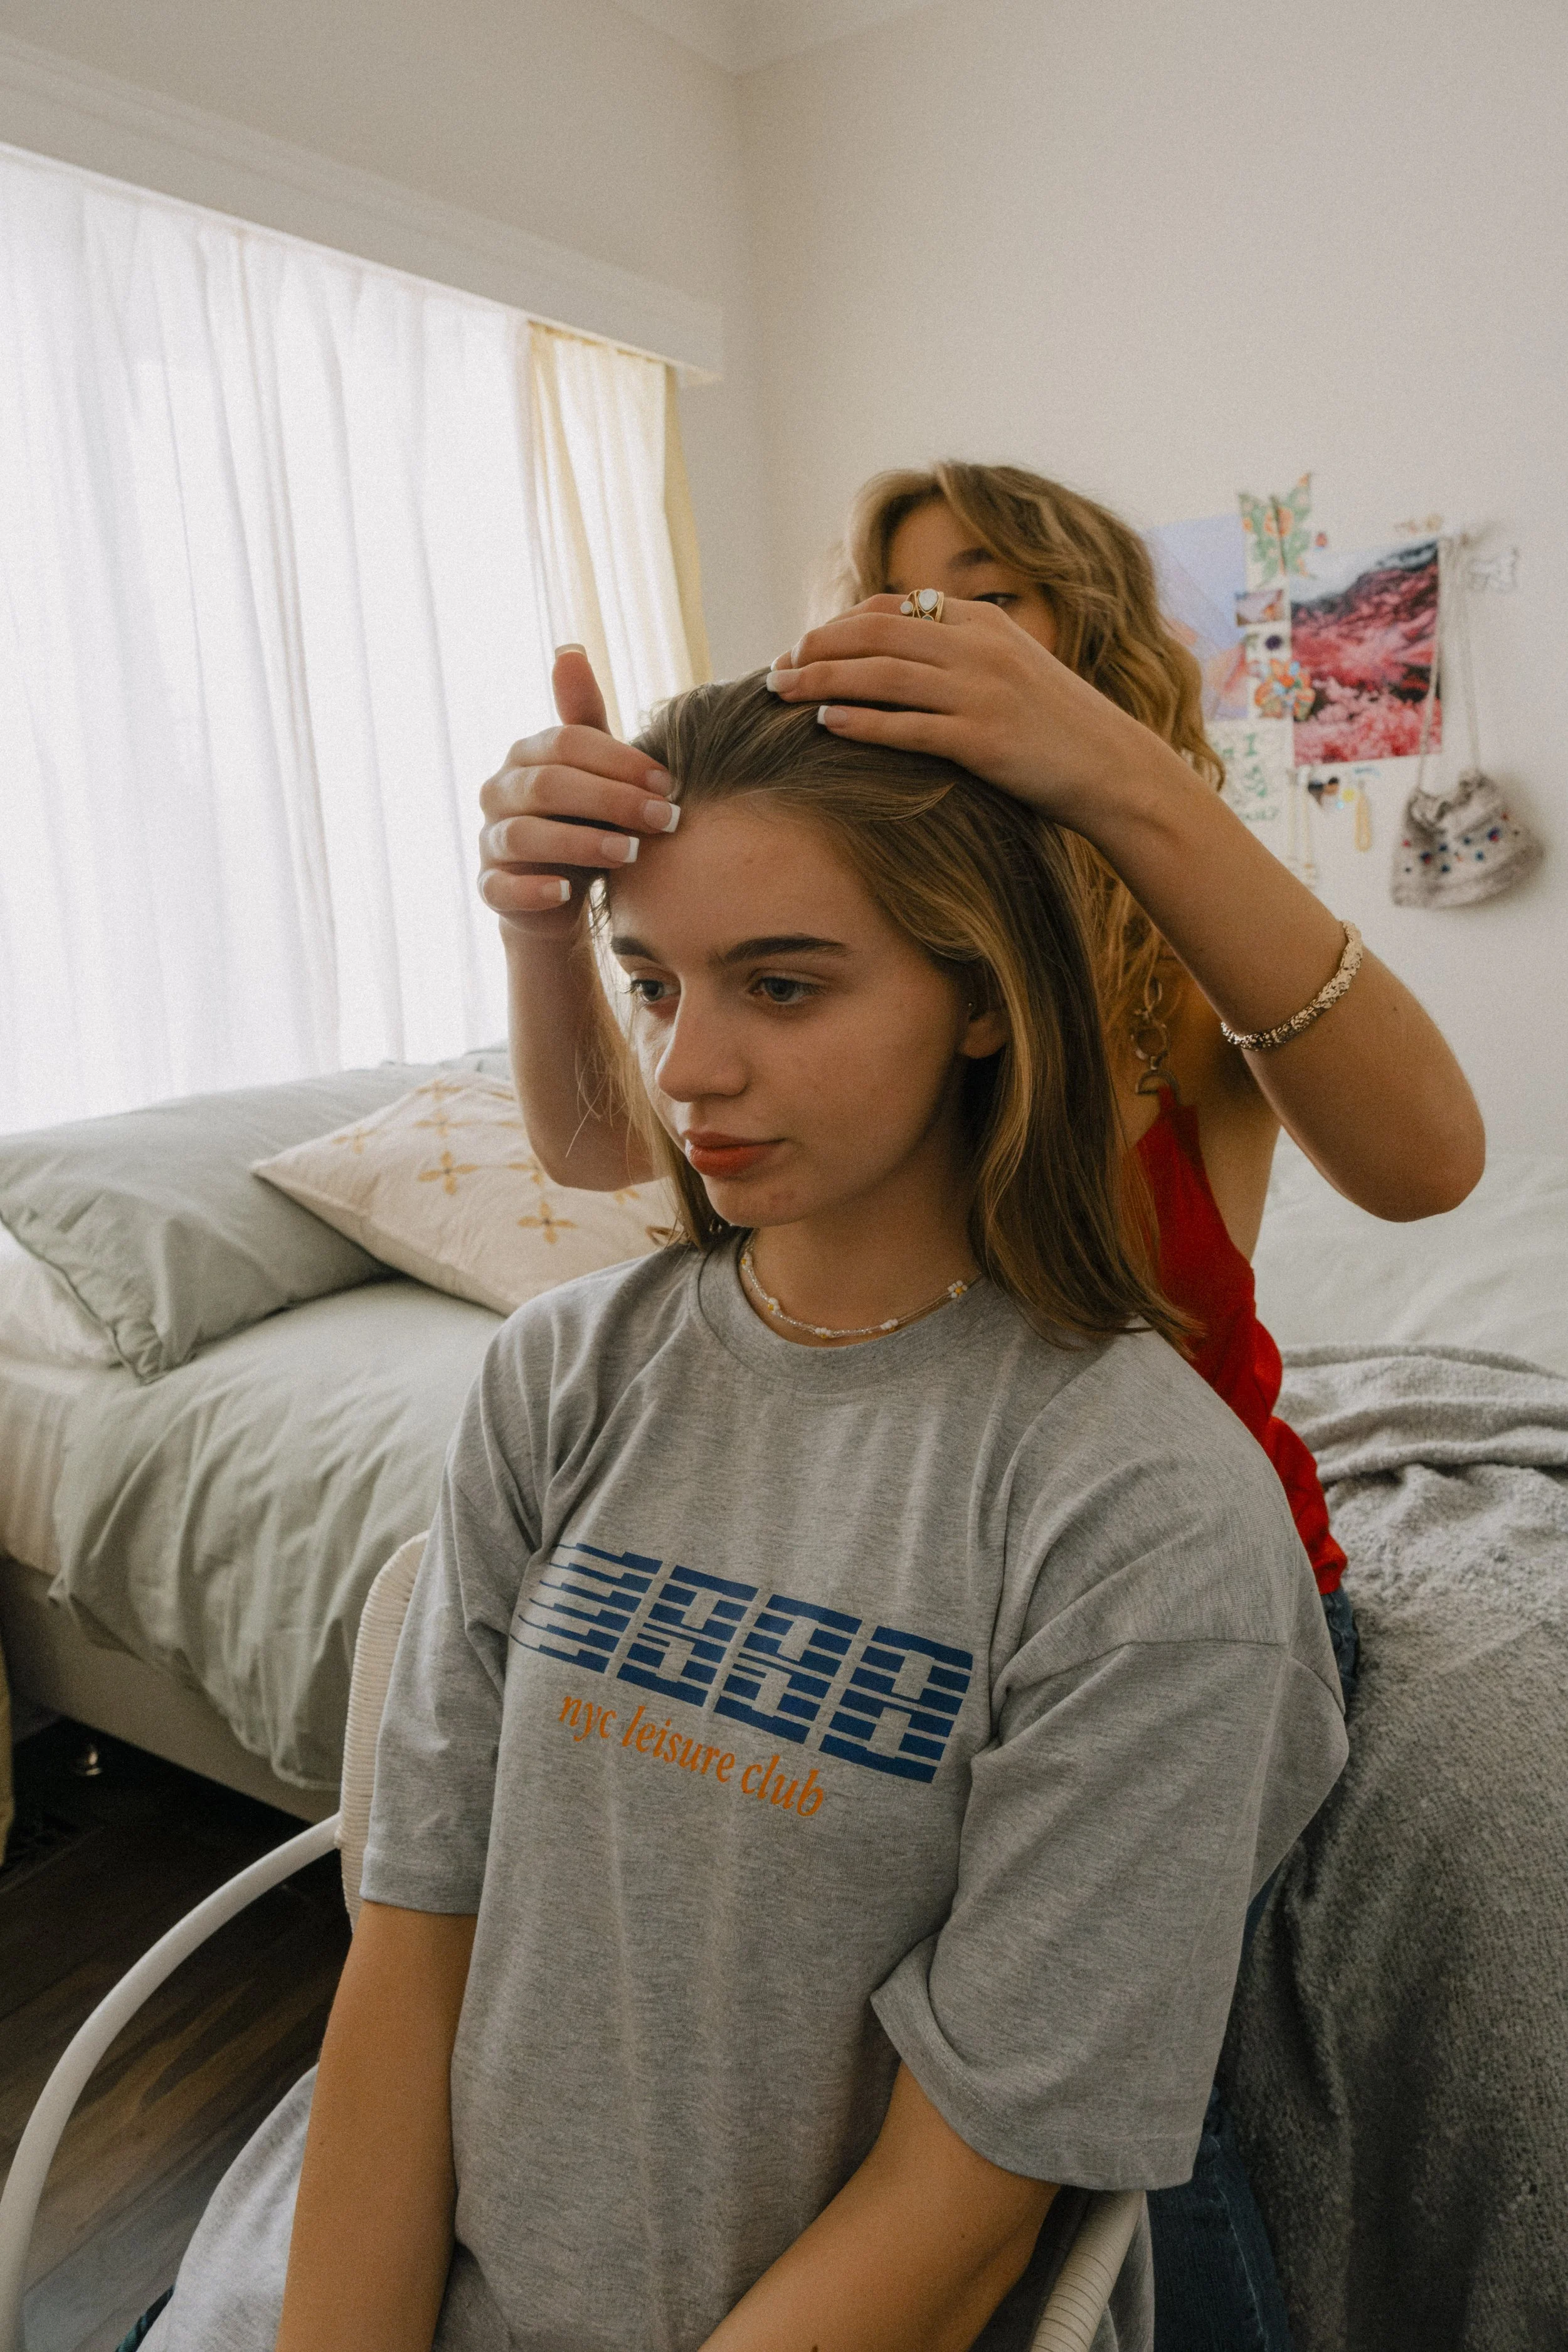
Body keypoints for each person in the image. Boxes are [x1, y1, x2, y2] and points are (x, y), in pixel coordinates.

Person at [136, 679, 1347, 2352]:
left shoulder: (1143, 1513)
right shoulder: (558, 1375)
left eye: (782, 985)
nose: (687, 1070)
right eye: (651, 982)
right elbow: (415, 1944)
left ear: (980, 1000)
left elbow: (963, 2200)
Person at [473, 462, 1485, 2349]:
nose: (913, 636)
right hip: (886, 1544)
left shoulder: (1164, 939)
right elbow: (639, 1152)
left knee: (1119, 2118)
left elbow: (1426, 1162)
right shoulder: (837, 956)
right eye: (882, 597)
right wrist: (554, 919)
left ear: (1090, 640)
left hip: (1141, 1584)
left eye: (978, 597)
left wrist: (1114, 775)